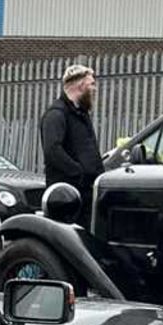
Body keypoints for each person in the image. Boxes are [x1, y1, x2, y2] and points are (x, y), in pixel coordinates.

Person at [39, 64, 103, 213]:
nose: (94, 89)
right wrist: (79, 173)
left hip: (86, 194)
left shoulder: (81, 114)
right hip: (68, 198)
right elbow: (53, 151)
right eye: (91, 85)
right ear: (80, 87)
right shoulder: (56, 114)